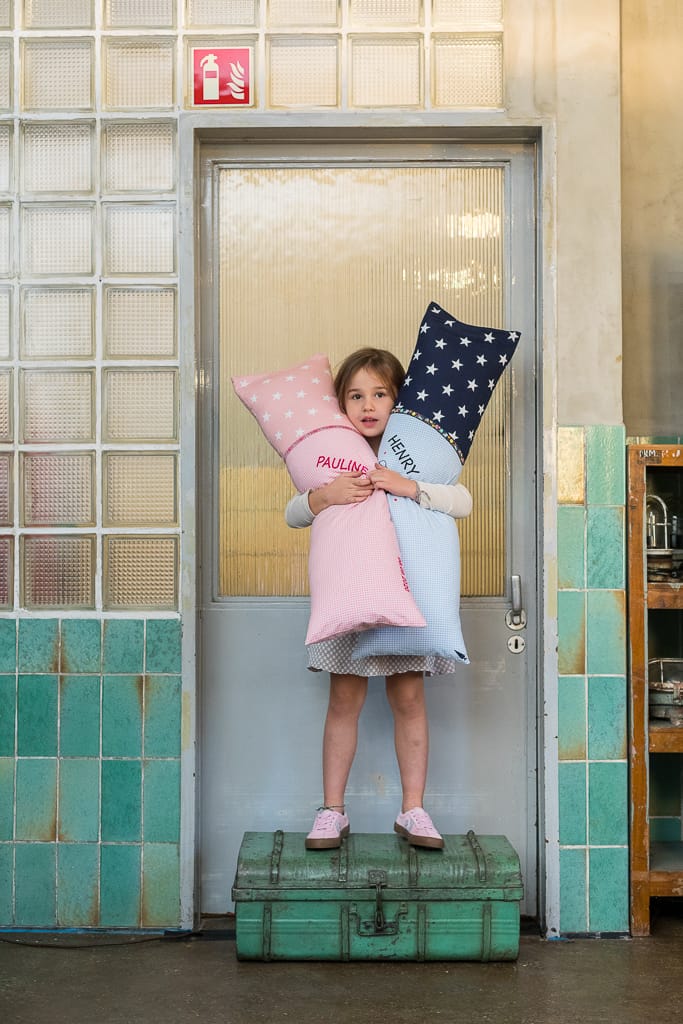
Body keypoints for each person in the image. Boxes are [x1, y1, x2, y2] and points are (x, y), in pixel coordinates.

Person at [285, 347, 473, 851]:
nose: (368, 405)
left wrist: (407, 486)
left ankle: (413, 809)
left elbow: (463, 501)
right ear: (340, 404)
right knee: (344, 700)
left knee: (408, 699)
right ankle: (332, 811)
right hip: (350, 600)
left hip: (404, 601)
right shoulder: (332, 457)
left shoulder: (416, 453)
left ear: (400, 400)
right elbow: (293, 513)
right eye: (355, 395)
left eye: (381, 394)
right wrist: (325, 496)